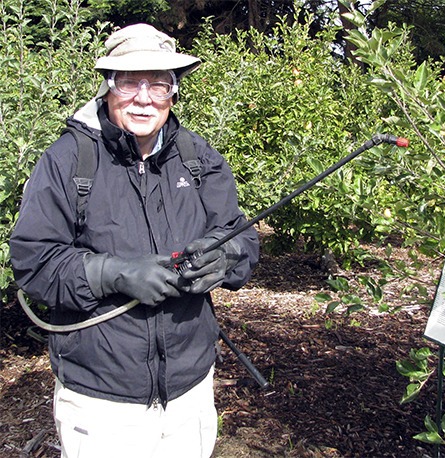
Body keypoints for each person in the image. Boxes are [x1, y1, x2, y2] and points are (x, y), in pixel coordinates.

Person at [10, 23, 259, 458]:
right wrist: (114, 273)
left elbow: (242, 236)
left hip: (190, 392)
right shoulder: (68, 161)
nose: (144, 97)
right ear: (109, 86)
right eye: (130, 82)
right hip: (101, 401)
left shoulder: (199, 158)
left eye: (159, 84)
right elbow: (33, 263)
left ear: (174, 92)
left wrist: (226, 256)